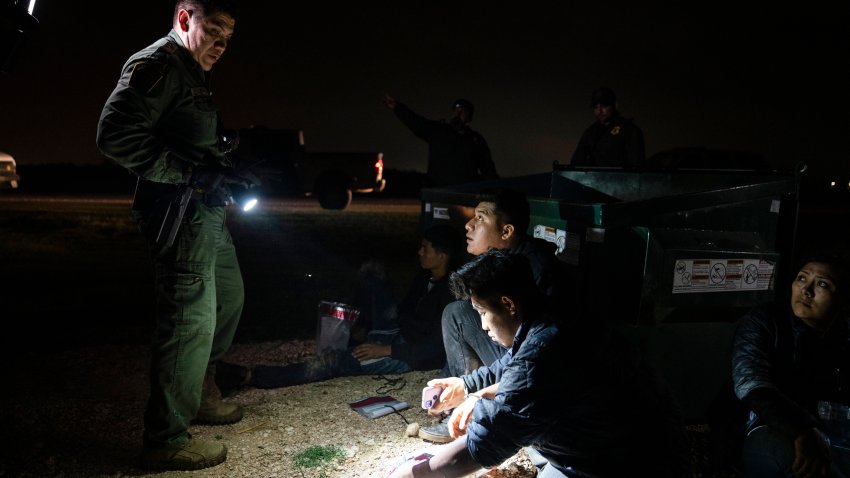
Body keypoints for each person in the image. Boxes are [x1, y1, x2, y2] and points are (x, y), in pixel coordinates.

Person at [95, 0, 250, 471]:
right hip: (179, 213)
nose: (222, 46)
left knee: (228, 298)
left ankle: (198, 391)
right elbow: (114, 133)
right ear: (185, 18)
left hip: (206, 210)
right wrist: (191, 173)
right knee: (188, 321)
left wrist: (221, 160)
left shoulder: (190, 69)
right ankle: (165, 437)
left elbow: (183, 133)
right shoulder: (158, 65)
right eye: (215, 32)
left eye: (229, 38)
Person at [386, 249, 690, 478]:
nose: (482, 325)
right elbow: (511, 365)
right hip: (614, 445)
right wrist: (466, 386)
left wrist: (417, 472)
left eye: (481, 311)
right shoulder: (547, 319)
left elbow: (489, 440)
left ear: (508, 303)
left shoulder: (547, 346)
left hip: (626, 464)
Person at [215, 223, 466, 389]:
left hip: (408, 354)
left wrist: (385, 350)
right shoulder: (426, 276)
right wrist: (372, 327)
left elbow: (433, 347)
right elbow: (405, 311)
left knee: (333, 362)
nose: (419, 252)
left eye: (425, 248)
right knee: (373, 274)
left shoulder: (450, 295)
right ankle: (355, 333)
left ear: (442, 255)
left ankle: (250, 376)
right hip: (397, 334)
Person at [419, 188, 566, 443]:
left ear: (506, 231)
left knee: (456, 314)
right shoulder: (509, 260)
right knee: (458, 311)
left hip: (537, 368)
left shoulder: (534, 273)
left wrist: (475, 395)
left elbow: (528, 356)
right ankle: (461, 405)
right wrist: (465, 385)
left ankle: (472, 416)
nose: (468, 225)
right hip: (521, 359)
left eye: (480, 219)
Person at [732, 252, 850, 477]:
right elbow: (751, 384)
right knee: (802, 463)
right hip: (765, 427)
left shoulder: (844, 336)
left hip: (833, 432)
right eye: (802, 278)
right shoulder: (765, 321)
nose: (806, 290)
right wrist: (803, 430)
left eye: (822, 284)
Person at [383, 93, 498, 187]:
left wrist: (495, 190)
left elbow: (488, 169)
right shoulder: (439, 132)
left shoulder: (476, 140)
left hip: (465, 193)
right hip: (438, 192)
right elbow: (416, 122)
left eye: (462, 112)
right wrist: (397, 107)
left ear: (469, 117)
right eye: (455, 111)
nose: (457, 114)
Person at [570, 86, 646, 168]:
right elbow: (576, 163)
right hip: (592, 180)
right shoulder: (589, 133)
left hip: (621, 179)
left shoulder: (629, 130)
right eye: (596, 107)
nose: (599, 111)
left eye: (604, 106)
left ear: (615, 105)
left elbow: (637, 167)